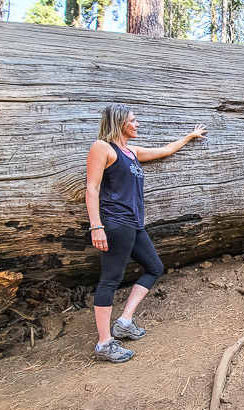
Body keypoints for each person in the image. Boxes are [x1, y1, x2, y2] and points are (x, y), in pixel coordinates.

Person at [85, 104, 207, 363]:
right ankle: (104, 343)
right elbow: (92, 188)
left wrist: (188, 136)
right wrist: (96, 226)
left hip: (134, 224)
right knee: (110, 280)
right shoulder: (102, 148)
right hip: (115, 223)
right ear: (120, 123)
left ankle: (124, 321)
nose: (137, 124)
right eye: (133, 120)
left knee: (154, 267)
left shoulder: (132, 152)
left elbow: (164, 151)